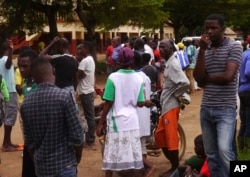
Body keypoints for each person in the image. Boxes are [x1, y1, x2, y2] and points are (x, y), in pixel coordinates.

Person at [193, 14, 242, 177]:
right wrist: (201, 50)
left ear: (223, 29)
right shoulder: (203, 50)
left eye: (213, 28)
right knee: (212, 154)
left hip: (226, 108)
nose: (209, 31)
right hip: (206, 107)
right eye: (207, 28)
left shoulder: (234, 46)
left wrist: (206, 79)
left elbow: (228, 76)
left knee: (225, 151)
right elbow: (198, 79)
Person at [20, 58, 84, 177]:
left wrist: (38, 161)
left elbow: (29, 142)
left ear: (33, 78)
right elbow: (77, 136)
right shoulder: (64, 96)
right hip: (65, 165)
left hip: (42, 168)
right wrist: (76, 159)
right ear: (53, 71)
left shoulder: (26, 104)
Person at [96, 47, 150, 177]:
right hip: (132, 122)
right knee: (132, 155)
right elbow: (139, 102)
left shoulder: (113, 78)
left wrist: (100, 123)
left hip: (117, 122)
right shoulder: (139, 79)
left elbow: (108, 102)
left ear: (118, 61)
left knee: (111, 155)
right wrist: (147, 102)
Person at [155, 39, 190, 177]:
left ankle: (175, 167)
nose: (161, 49)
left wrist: (175, 94)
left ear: (171, 48)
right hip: (166, 106)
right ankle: (174, 165)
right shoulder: (168, 63)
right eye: (160, 47)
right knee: (160, 136)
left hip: (171, 106)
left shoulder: (174, 64)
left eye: (164, 47)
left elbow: (185, 82)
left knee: (170, 138)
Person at [134, 52, 156, 177]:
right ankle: (143, 170)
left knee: (135, 146)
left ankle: (143, 168)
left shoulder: (133, 78)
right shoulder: (145, 77)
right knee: (142, 145)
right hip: (144, 115)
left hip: (136, 115)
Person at [17, 49, 39, 177]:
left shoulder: (40, 83)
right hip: (29, 133)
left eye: (25, 66)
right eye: (19, 66)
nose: (21, 69)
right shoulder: (26, 82)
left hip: (39, 135)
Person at [0, 39, 21, 151]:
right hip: (9, 91)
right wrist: (12, 52)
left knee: (7, 116)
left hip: (3, 91)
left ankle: (7, 142)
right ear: (7, 49)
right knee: (10, 116)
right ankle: (6, 144)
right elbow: (8, 65)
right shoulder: (5, 60)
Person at [77, 41, 96, 147]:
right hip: (86, 90)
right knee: (87, 115)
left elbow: (78, 75)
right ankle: (88, 137)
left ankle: (90, 139)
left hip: (85, 91)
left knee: (88, 116)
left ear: (87, 50)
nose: (79, 51)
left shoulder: (85, 61)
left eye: (81, 49)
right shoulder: (90, 59)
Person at [237, 35, 250, 154]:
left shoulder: (245, 53)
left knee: (244, 122)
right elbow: (248, 71)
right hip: (248, 91)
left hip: (242, 90)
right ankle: (246, 150)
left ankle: (241, 148)